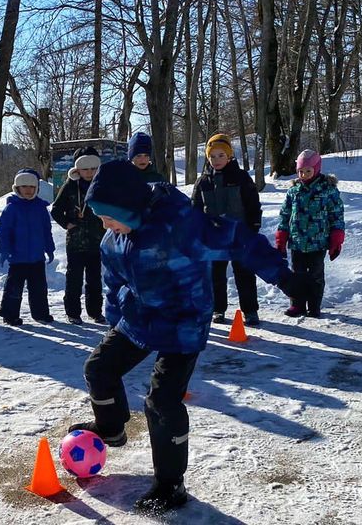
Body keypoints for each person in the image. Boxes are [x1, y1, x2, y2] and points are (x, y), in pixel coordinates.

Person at [66, 159, 309, 515]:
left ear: (130, 208)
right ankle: (111, 428)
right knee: (99, 368)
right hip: (139, 317)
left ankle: (170, 485)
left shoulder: (181, 226)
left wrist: (285, 279)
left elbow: (239, 240)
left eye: (108, 216)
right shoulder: (113, 241)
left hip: (183, 321)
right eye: (100, 217)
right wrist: (115, 321)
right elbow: (113, 283)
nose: (104, 224)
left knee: (161, 401)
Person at [192, 133, 262, 326]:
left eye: (221, 155)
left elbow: (252, 204)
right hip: (214, 238)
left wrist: (253, 227)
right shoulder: (203, 181)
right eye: (212, 156)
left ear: (229, 155)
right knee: (215, 275)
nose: (216, 160)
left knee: (244, 273)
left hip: (239, 235)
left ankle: (250, 310)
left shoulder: (241, 178)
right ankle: (218, 309)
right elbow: (195, 209)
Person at [275, 149, 345, 318]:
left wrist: (336, 238)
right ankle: (297, 305)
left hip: (318, 242)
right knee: (297, 275)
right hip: (297, 242)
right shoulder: (294, 191)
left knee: (315, 276)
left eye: (308, 171)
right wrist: (281, 238)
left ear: (317, 169)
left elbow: (336, 214)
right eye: (300, 171)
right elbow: (285, 215)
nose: (304, 175)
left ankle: (314, 306)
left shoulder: (327, 190)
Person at [51, 146, 106, 325]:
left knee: (94, 280)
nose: (89, 172)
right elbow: (56, 210)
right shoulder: (70, 186)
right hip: (75, 243)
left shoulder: (102, 185)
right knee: (74, 279)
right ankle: (73, 312)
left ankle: (95, 312)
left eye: (93, 168)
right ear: (77, 169)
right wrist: (67, 224)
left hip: (97, 241)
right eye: (85, 169)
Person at [0, 169, 55, 327]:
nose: (28, 190)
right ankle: (9, 315)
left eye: (32, 187)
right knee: (14, 289)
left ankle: (41, 313)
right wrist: (4, 250)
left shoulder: (41, 208)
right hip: (18, 258)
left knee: (39, 289)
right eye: (24, 187)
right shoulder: (11, 209)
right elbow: (4, 232)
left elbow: (46, 230)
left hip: (36, 258)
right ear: (17, 188)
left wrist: (49, 248)